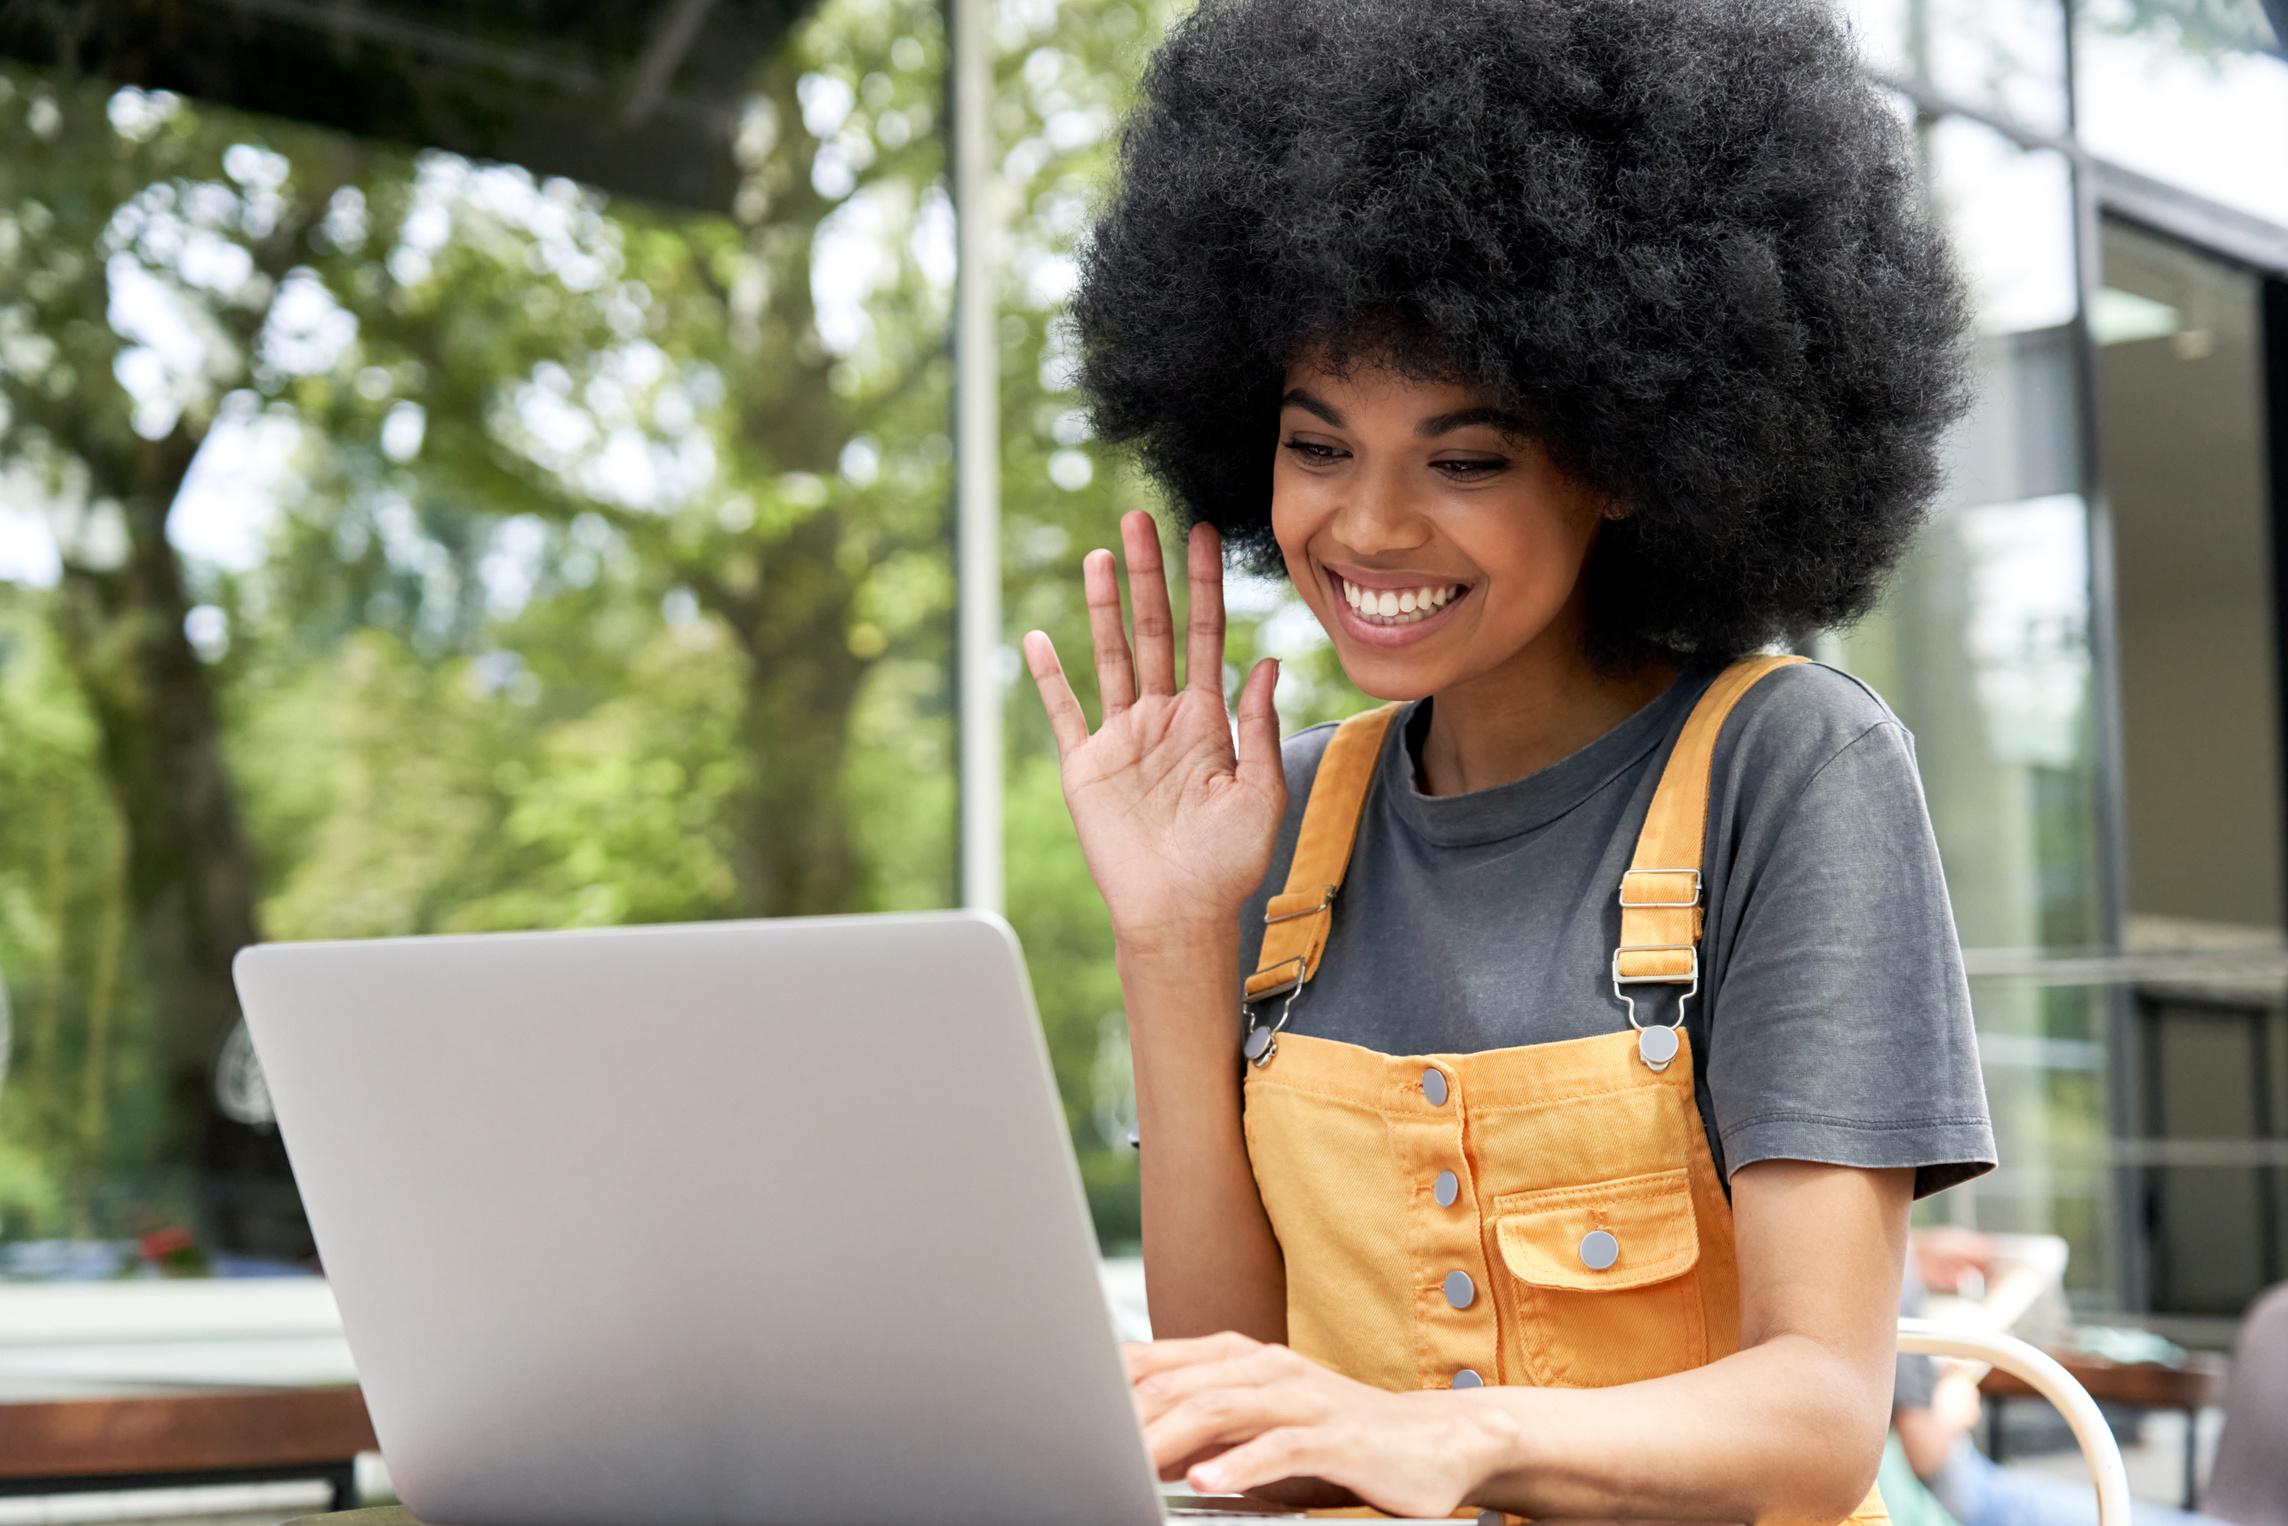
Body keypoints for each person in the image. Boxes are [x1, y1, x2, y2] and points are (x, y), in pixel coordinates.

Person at [1021, 0, 1996, 1518]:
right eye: (1319, 443)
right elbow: (1235, 1412)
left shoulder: (1790, 765)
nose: (1369, 527)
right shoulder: (1272, 824)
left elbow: (1818, 1418)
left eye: (1464, 459)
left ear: (1625, 456)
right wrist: (1168, 930)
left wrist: (1461, 1437)